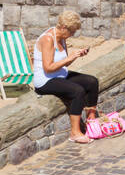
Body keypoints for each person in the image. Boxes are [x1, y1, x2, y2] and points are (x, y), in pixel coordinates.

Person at [33, 10, 99, 143]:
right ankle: (75, 133)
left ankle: (91, 120)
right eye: (71, 32)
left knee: (92, 81)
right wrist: (70, 57)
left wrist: (76, 56)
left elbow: (64, 63)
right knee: (77, 91)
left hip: (60, 75)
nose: (72, 35)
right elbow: (48, 67)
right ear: (63, 27)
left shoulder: (62, 38)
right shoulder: (47, 39)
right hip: (46, 80)